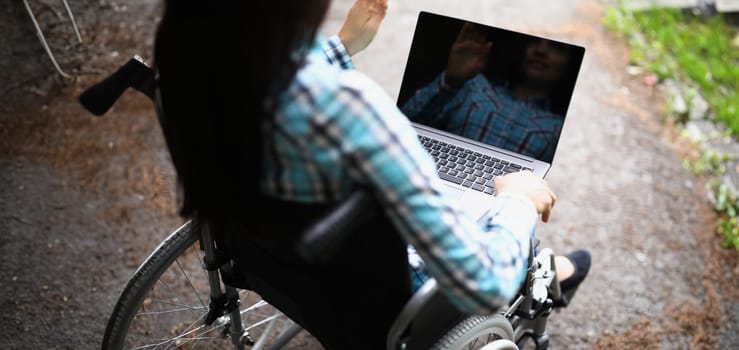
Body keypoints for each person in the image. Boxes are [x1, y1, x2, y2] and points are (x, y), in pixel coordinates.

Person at [153, 1, 589, 348]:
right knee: (520, 230)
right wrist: (516, 199)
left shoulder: (186, 60)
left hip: (273, 266)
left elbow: (282, 78)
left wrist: (340, 47)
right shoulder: (351, 108)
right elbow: (482, 283)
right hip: (390, 303)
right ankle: (553, 271)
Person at [401, 22, 579, 163]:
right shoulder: (474, 85)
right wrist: (451, 79)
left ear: (567, 70)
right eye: (534, 42)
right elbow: (403, 123)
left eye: (556, 47)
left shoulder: (558, 128)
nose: (540, 51)